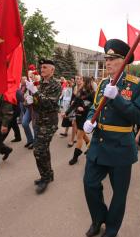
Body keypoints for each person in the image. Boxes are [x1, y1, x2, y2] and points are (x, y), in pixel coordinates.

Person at [82, 39, 140, 237]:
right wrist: (88, 121)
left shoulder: (137, 85)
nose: (108, 62)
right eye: (106, 58)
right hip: (99, 145)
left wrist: (117, 98)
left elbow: (139, 117)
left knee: (119, 195)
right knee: (90, 184)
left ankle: (111, 230)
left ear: (124, 61)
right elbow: (95, 107)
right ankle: (98, 218)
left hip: (120, 148)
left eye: (113, 59)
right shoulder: (102, 83)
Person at [25, 58, 62, 194]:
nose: (42, 69)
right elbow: (38, 102)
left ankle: (45, 178)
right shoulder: (40, 84)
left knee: (38, 151)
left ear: (52, 70)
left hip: (49, 123)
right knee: (43, 150)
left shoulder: (56, 85)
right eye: (41, 67)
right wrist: (30, 100)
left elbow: (49, 103)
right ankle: (48, 174)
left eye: (45, 67)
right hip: (39, 121)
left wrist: (35, 92)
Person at [64, 76, 94, 165]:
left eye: (82, 80)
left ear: (87, 82)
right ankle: (90, 146)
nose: (80, 81)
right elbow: (75, 104)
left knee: (79, 136)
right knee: (80, 133)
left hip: (86, 117)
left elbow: (94, 105)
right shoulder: (80, 91)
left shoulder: (92, 93)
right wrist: (66, 113)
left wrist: (84, 108)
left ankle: (75, 157)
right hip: (78, 116)